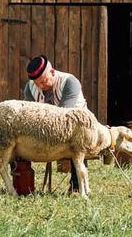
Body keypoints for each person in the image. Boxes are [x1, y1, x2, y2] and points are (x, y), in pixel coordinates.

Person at [21, 55, 88, 193]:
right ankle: (22, 186)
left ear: (52, 72)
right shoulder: (30, 87)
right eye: (37, 83)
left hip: (74, 128)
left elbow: (62, 116)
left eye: (44, 81)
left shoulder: (70, 82)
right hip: (46, 128)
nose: (41, 86)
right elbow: (30, 114)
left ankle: (76, 187)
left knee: (78, 144)